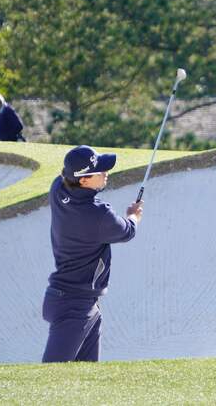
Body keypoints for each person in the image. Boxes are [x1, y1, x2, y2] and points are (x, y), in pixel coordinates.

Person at [41, 145, 143, 363]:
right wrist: (133, 215)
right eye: (100, 170)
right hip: (73, 307)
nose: (106, 172)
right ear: (84, 180)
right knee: (49, 378)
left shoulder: (58, 190)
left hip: (79, 303)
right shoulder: (99, 215)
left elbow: (65, 178)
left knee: (87, 383)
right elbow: (127, 231)